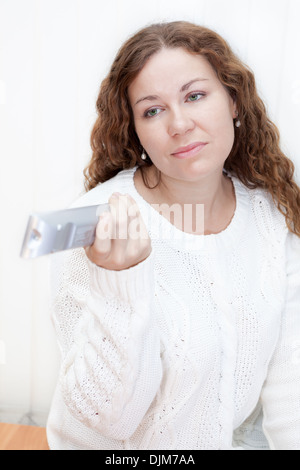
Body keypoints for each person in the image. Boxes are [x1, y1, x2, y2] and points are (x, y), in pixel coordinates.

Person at [46, 21, 300, 450]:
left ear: (234, 101)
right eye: (152, 110)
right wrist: (120, 281)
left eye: (195, 96)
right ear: (135, 129)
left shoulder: (271, 213)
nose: (179, 124)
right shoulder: (94, 225)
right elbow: (110, 420)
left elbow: (290, 382)